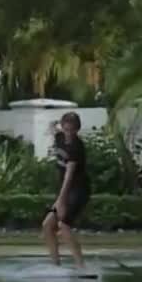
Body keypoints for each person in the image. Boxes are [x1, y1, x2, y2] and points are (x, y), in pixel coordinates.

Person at [41, 112, 89, 269]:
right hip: (65, 191)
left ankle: (81, 266)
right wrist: (53, 125)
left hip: (78, 191)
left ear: (77, 130)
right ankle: (56, 266)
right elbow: (53, 128)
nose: (68, 134)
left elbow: (69, 176)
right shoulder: (59, 137)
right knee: (47, 225)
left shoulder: (76, 147)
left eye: (72, 131)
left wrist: (61, 200)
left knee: (64, 225)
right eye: (66, 129)